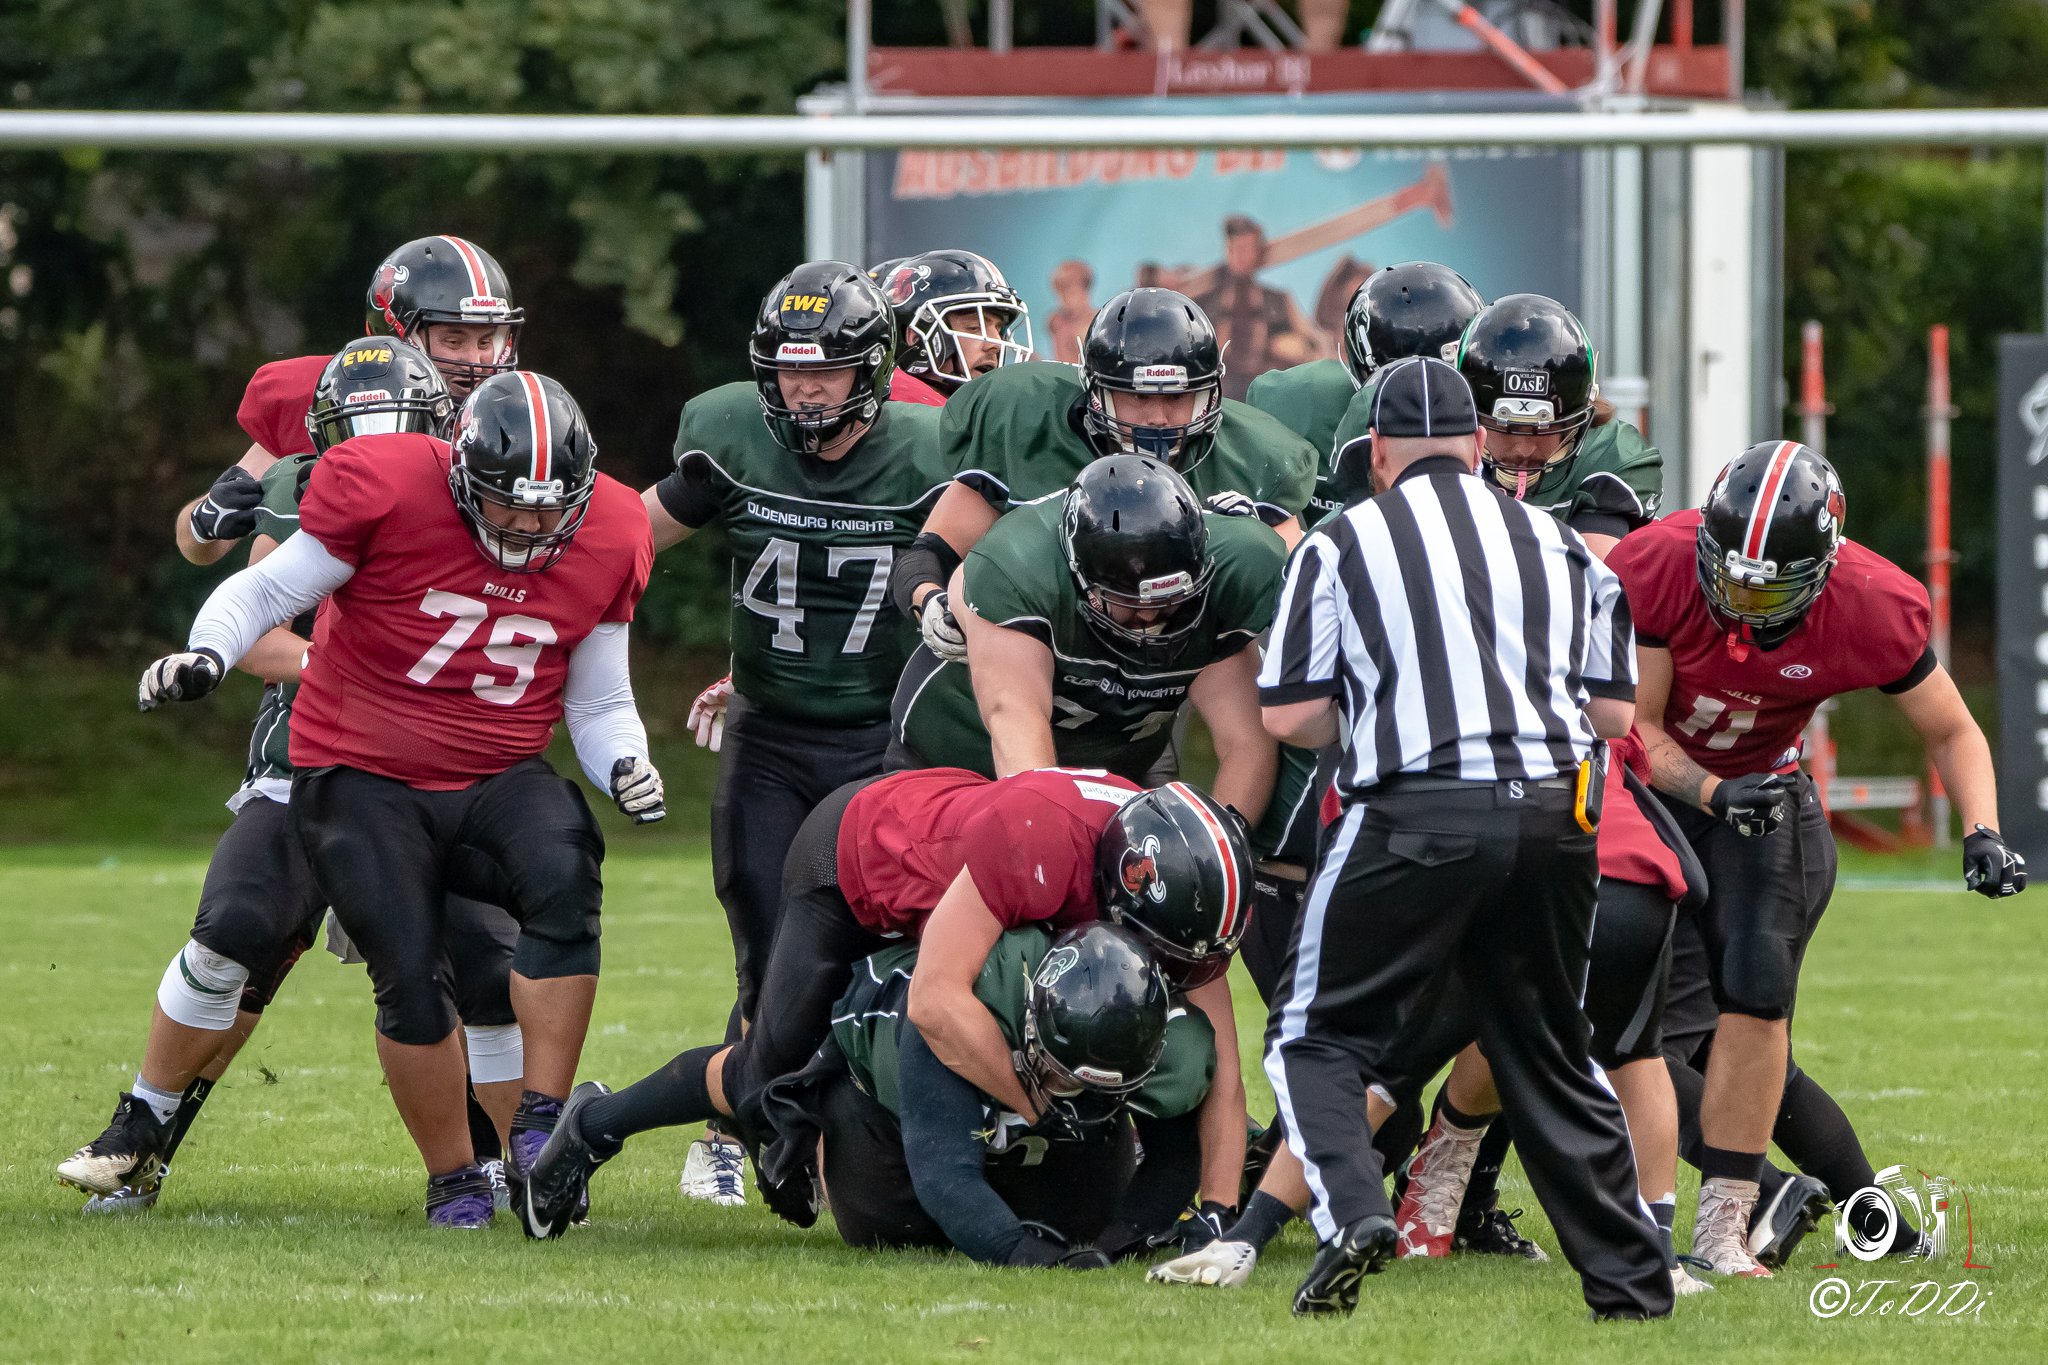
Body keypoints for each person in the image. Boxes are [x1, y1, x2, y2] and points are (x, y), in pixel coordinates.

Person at [129, 370, 663, 1231]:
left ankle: (539, 1122)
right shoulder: (388, 486)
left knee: (565, 867)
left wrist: (627, 762)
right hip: (362, 772)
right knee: (410, 972)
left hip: (496, 771)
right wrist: (209, 654)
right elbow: (266, 590)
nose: (529, 526)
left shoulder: (614, 525)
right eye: (509, 504)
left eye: (548, 509)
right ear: (461, 476)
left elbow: (599, 700)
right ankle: (454, 1177)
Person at [56, 341, 526, 1217]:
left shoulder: (501, 468)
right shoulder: (309, 467)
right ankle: (144, 1131)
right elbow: (227, 576)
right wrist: (341, 663)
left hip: (446, 773)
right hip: (311, 763)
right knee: (239, 933)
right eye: (450, 333)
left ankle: (512, 1162)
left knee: (483, 971)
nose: (470, 353)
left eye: (481, 333)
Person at [1255, 355, 1671, 1320]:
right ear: (1480, 446)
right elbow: (1615, 715)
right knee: (1550, 1050)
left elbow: (1290, 715)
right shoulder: (1560, 541)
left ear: (1377, 454)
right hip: (1558, 817)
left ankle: (1354, 1211)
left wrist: (1382, 708)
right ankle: (1632, 1281)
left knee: (1314, 1035)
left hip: (1415, 809)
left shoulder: (1342, 540)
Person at [1608, 439, 2026, 1276]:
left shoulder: (1871, 600)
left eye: (1769, 586)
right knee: (1645, 1036)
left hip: (1769, 802)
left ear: (1823, 569)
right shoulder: (1655, 563)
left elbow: (1952, 728)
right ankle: (1815, 1203)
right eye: (1731, 575)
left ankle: (1729, 1226)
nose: (1743, 599)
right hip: (1662, 796)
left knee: (1756, 994)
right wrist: (1713, 791)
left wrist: (1982, 828)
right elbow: (1637, 729)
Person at [517, 769, 1253, 1238]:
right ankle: (594, 1124)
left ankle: (821, 1119)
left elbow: (1220, 1069)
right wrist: (1033, 1103)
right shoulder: (1043, 844)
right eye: (1169, 953)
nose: (1177, 972)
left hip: (947, 886)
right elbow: (935, 1001)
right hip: (856, 863)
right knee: (760, 1078)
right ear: (1125, 886)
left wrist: (1218, 1214)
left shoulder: (1173, 902)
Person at [642, 261, 953, 1205]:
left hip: (884, 743)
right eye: (788, 370)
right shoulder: (731, 436)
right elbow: (621, 542)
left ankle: (848, 1136)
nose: (804, 389)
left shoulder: (931, 452)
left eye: (825, 371)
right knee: (768, 956)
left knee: (877, 951)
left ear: (875, 367)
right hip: (771, 740)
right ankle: (753, 1128)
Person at [891, 287, 1316, 667]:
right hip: (1044, 657)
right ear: (1095, 391)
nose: (1157, 418)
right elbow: (930, 553)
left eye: (1177, 397)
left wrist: (1244, 545)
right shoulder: (1027, 423)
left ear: (1209, 394)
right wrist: (930, 600)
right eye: (1136, 397)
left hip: (1176, 673)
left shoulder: (1251, 456)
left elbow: (1305, 591)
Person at [771, 922, 1216, 1265]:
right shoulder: (963, 1001)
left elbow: (1178, 1156)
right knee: (885, 1229)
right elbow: (945, 1177)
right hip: (884, 1111)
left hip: (1030, 1110)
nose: (1065, 1090)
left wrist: (1120, 1240)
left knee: (1080, 1220)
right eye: (1060, 1070)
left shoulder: (1172, 1046)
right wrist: (1026, 1254)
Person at [891, 455, 1281, 803]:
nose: (1151, 618)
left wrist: (1220, 839)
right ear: (1080, 576)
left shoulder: (1232, 568)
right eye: (1130, 602)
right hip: (960, 760)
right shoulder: (1021, 571)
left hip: (1121, 767)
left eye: (1170, 600)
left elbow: (1246, 744)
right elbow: (1019, 736)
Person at [174, 236, 526, 569]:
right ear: (395, 334)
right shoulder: (334, 396)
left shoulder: (518, 420)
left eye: (486, 341)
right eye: (454, 340)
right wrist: (204, 523)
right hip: (328, 602)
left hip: (458, 602)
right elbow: (196, 546)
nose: (476, 360)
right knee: (288, 506)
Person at [1190, 216, 1327, 398]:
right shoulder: (1208, 302)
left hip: (1269, 394)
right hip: (1222, 395)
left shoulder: (1277, 300)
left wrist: (1298, 348)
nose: (1240, 255)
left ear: (1257, 251)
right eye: (1235, 248)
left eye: (1247, 249)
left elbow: (1315, 344)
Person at [877, 249, 1032, 405]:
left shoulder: (966, 413)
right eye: (974, 327)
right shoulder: (896, 414)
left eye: (999, 330)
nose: (996, 344)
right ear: (915, 337)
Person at [1047, 259, 1096, 365]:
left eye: (1071, 292)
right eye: (1060, 293)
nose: (1064, 299)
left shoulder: (1097, 324)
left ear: (1085, 291)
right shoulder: (1055, 322)